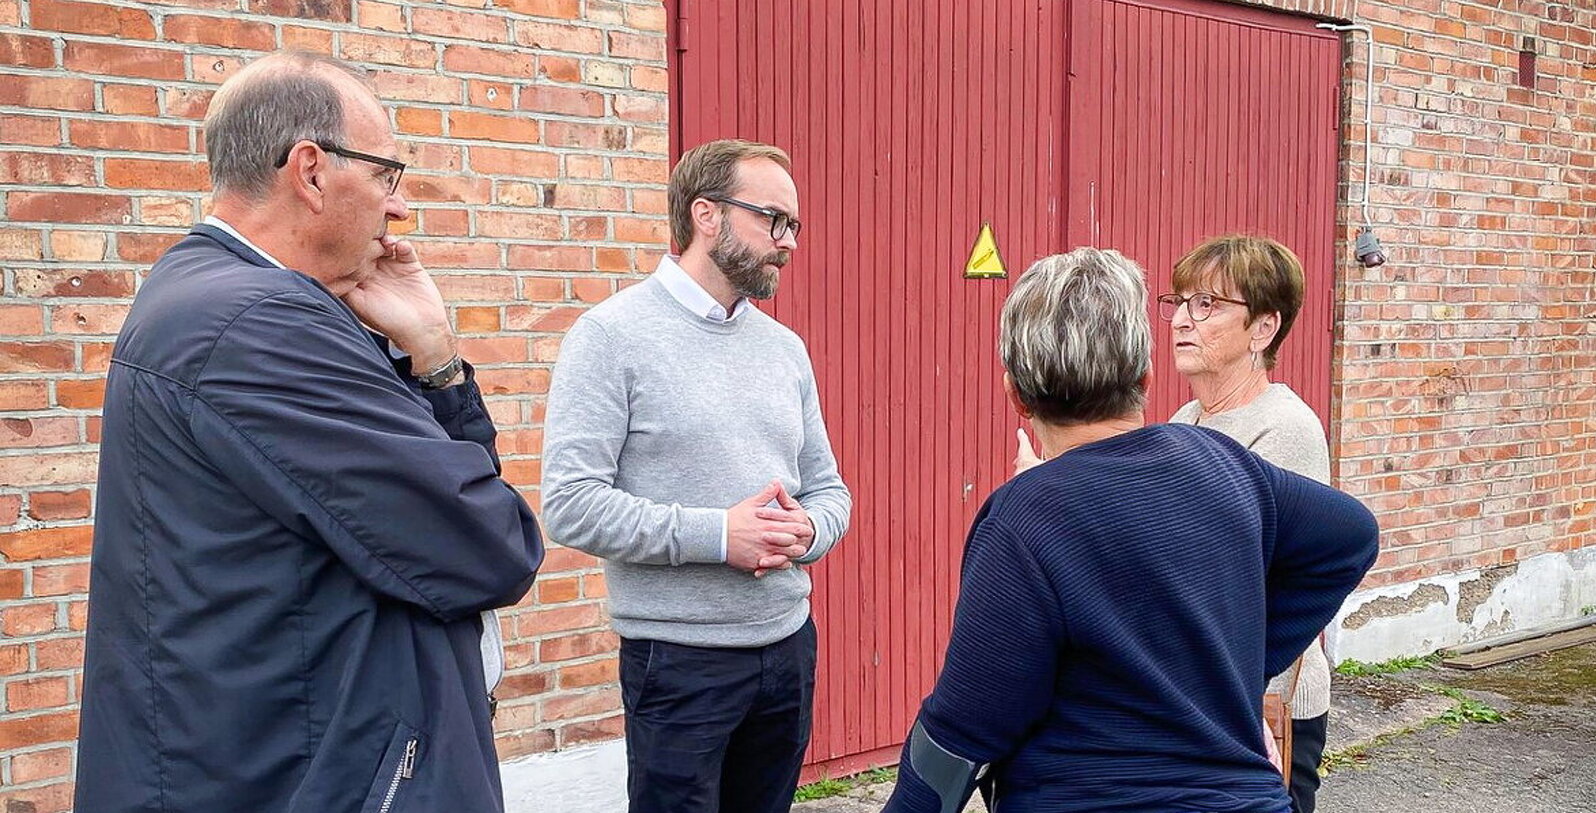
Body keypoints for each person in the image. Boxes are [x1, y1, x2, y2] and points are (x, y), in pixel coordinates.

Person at [74, 51, 544, 813]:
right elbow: (489, 546)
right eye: (388, 174)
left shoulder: (217, 299)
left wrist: (433, 357)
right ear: (312, 170)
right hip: (311, 778)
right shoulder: (261, 325)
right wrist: (440, 370)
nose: (397, 206)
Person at [881, 248, 1378, 813]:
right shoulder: (1220, 459)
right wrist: (1230, 658)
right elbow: (1352, 537)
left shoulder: (1023, 517)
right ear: (1142, 378)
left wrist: (1237, 657)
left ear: (1015, 395)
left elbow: (961, 733)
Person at [541, 139, 853, 813]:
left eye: (793, 224)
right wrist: (720, 536)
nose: (788, 240)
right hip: (679, 661)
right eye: (773, 218)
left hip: (787, 647)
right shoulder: (610, 337)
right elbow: (570, 504)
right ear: (706, 215)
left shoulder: (784, 349)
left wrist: (808, 528)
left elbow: (829, 489)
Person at [1160, 234, 1333, 812]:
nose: (1183, 319)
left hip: (1258, 706)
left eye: (1207, 304)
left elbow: (1281, 585)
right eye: (1180, 301)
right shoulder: (1187, 419)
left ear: (1263, 329)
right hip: (1201, 699)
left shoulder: (1283, 429)